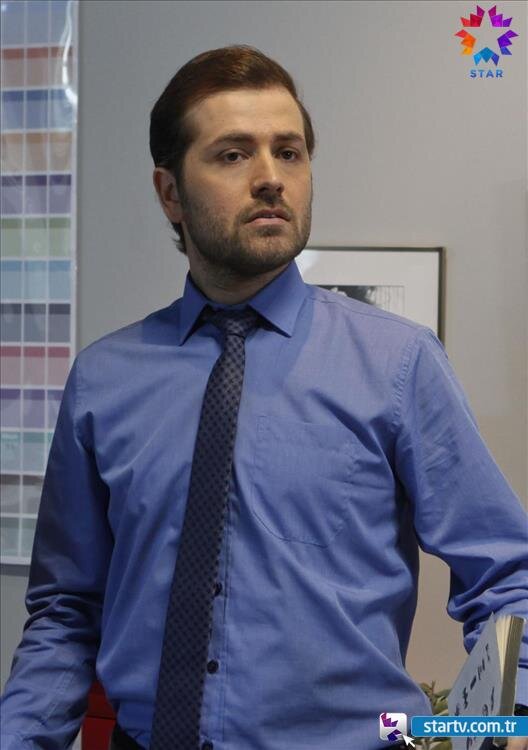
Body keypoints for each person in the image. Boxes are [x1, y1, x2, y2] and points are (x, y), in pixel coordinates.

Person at [1, 44, 527, 750]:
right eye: (233, 155)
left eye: (289, 152)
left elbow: (507, 576)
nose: (272, 178)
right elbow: (66, 611)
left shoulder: (399, 364)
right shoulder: (103, 380)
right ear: (169, 193)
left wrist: (503, 724)